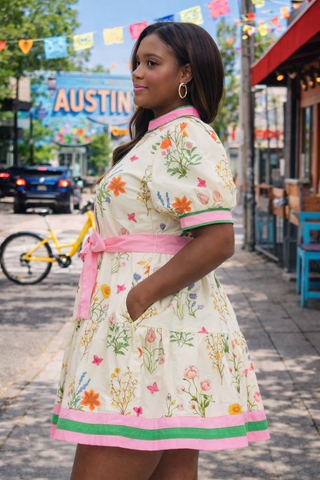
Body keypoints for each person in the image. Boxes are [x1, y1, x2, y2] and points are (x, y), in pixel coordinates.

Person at [51, 22, 270, 480]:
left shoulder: (187, 136)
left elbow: (218, 239)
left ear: (185, 73)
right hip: (149, 327)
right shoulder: (156, 137)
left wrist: (137, 298)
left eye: (152, 63)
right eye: (136, 62)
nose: (136, 72)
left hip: (150, 326)